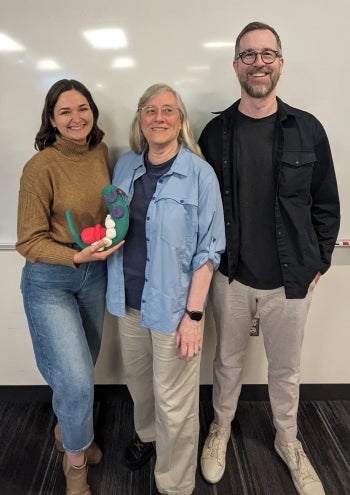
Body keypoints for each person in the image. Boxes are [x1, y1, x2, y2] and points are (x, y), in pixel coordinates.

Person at [199, 21, 340, 495]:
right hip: (231, 277)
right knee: (227, 363)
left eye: (267, 53)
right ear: (236, 64)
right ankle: (220, 429)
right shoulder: (215, 131)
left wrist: (318, 261)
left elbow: (327, 202)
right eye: (249, 54)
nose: (258, 62)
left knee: (286, 369)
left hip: (291, 281)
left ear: (279, 61)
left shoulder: (308, 128)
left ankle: (288, 440)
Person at [106, 83, 225, 495]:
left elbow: (209, 251)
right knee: (139, 384)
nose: (159, 117)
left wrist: (194, 317)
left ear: (180, 121)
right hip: (128, 301)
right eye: (150, 110)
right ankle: (148, 436)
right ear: (140, 118)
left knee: (175, 403)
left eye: (168, 111)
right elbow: (114, 228)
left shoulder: (199, 174)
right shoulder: (124, 167)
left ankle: (174, 483)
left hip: (175, 309)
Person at [16, 79, 124, 495]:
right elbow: (28, 240)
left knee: (83, 366)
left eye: (83, 108)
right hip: (51, 278)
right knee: (77, 379)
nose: (76, 117)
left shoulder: (101, 154)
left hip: (94, 275)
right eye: (65, 112)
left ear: (93, 112)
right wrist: (74, 257)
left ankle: (69, 431)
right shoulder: (39, 166)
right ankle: (75, 465)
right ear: (52, 119)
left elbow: (111, 209)